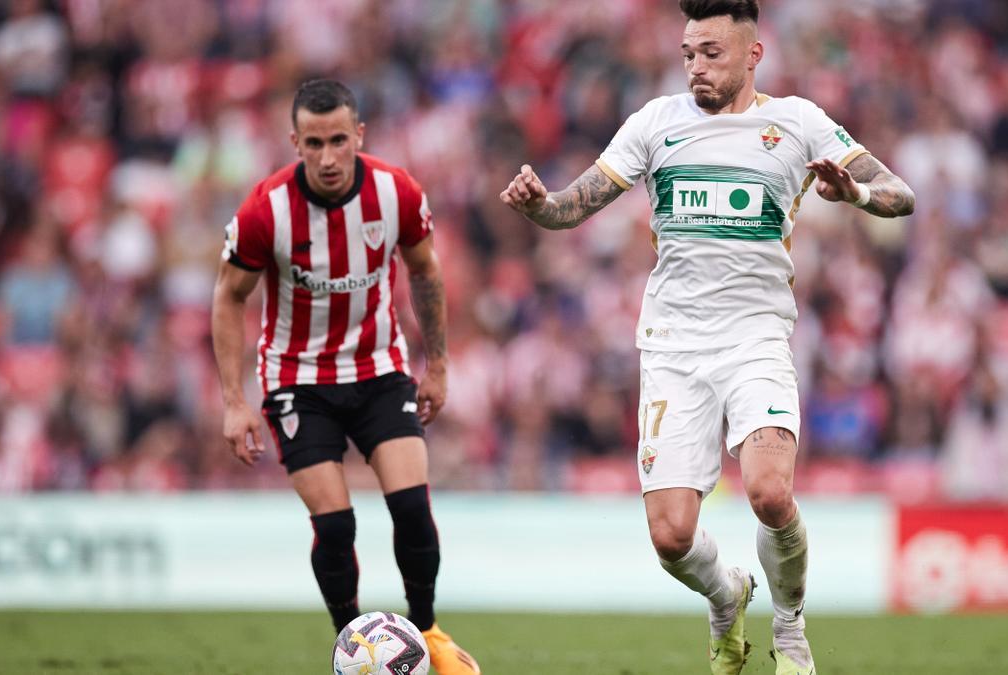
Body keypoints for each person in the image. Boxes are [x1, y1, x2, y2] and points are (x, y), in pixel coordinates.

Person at [501, 1, 914, 673]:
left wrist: (856, 197)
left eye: (712, 53)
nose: (697, 65)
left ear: (753, 55)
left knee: (770, 492)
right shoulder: (655, 123)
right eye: (689, 52)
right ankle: (727, 596)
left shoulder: (798, 122)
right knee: (671, 537)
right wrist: (540, 205)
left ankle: (790, 631)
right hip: (673, 344)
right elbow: (572, 206)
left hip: (756, 337)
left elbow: (900, 194)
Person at [211, 79, 479, 675]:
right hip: (296, 380)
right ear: (294, 142)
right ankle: (353, 647)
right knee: (336, 525)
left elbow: (426, 273)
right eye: (314, 143)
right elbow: (229, 298)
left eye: (338, 140)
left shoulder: (395, 192)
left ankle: (427, 631)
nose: (328, 157)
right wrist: (235, 401)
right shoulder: (265, 209)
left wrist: (437, 366)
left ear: (358, 135)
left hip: (379, 368)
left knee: (411, 506)